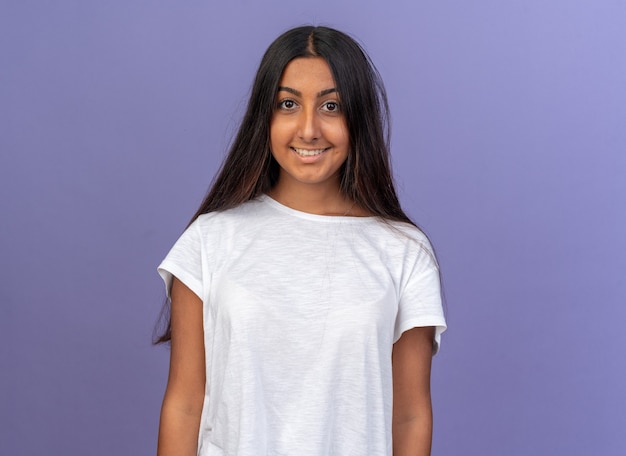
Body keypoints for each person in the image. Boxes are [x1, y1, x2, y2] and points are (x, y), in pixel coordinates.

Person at [155, 25, 447, 456]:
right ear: (264, 117)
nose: (309, 130)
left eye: (331, 106)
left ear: (358, 118)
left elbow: (409, 415)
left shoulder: (405, 253)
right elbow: (184, 406)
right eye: (288, 104)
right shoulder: (209, 241)